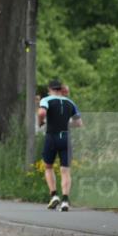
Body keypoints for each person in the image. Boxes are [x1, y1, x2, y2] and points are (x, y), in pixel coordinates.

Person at [38, 78, 82, 211]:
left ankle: (53, 195)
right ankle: (65, 201)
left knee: (48, 166)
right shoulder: (70, 102)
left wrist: (41, 122)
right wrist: (66, 124)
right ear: (61, 89)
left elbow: (41, 112)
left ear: (50, 89)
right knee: (65, 170)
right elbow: (79, 123)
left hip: (52, 136)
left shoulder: (46, 100)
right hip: (66, 137)